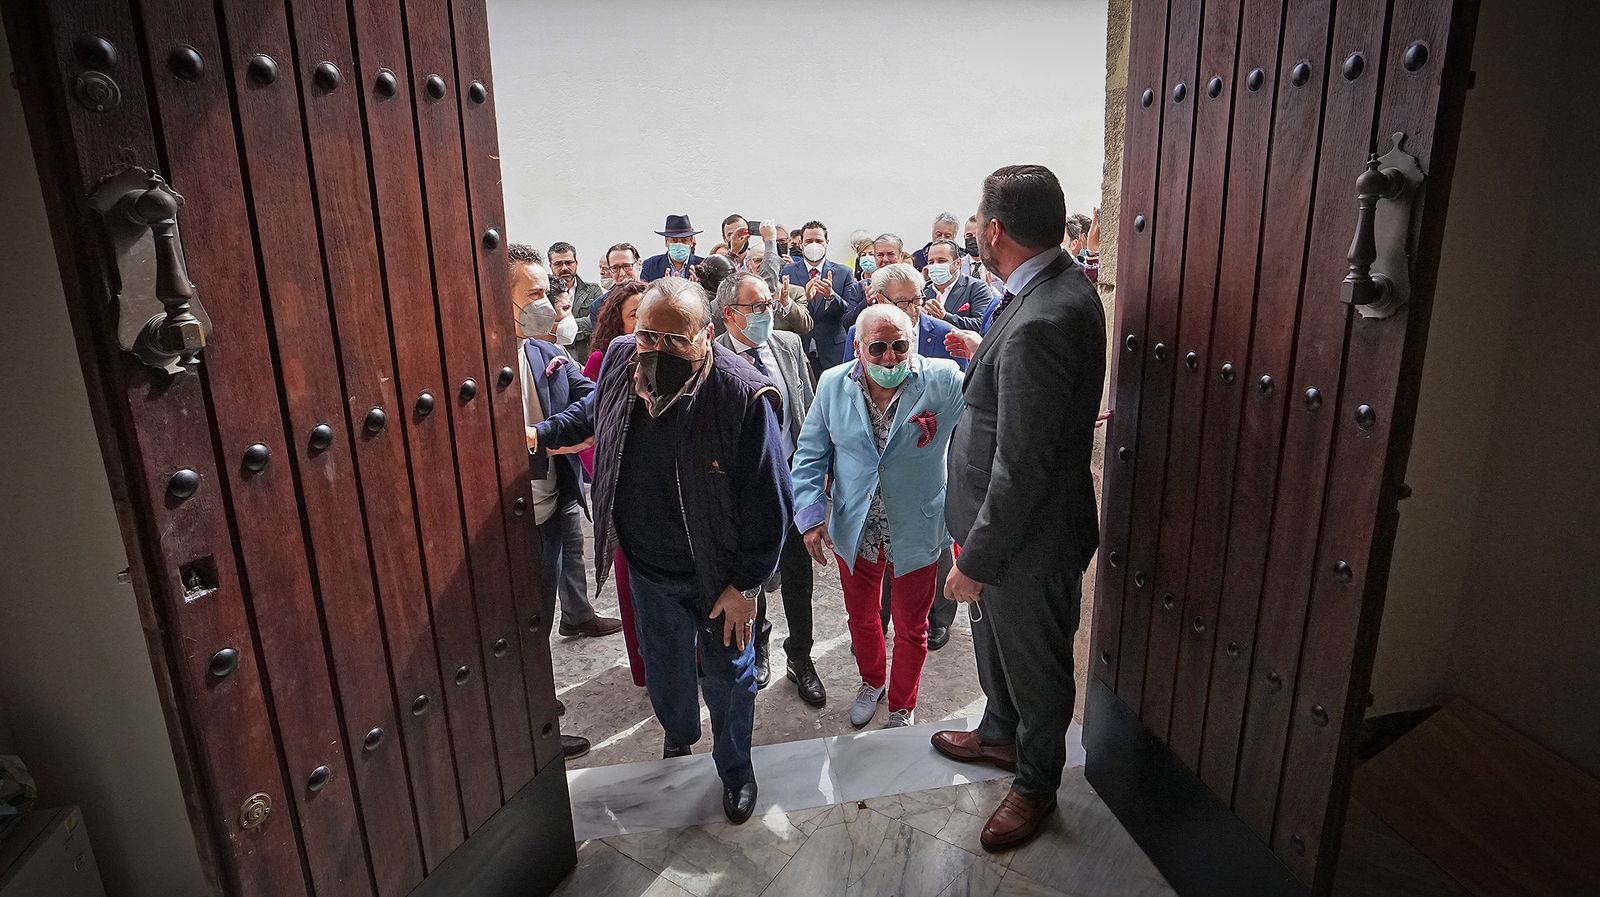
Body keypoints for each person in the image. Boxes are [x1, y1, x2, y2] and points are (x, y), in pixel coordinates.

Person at [532, 277, 793, 825]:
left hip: (720, 577)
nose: (656, 350)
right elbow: (593, 417)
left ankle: (736, 770)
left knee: (729, 680)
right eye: (649, 335)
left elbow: (771, 507)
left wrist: (746, 586)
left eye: (675, 341)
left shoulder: (742, 395)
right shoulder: (623, 359)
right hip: (650, 569)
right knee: (667, 673)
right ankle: (679, 737)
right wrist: (539, 434)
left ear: (707, 336)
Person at [933, 165, 1106, 853]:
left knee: (1036, 667)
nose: (975, 230)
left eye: (977, 221)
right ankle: (999, 732)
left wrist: (977, 558)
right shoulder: (1047, 287)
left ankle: (1034, 783)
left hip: (1022, 541)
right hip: (1002, 529)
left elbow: (1023, 464)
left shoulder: (1044, 317)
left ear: (994, 230)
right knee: (995, 648)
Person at [792, 304, 965, 729]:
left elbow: (996, 406)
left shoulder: (941, 378)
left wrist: (1049, 417)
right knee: (862, 618)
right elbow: (811, 455)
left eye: (900, 346)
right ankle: (872, 681)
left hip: (918, 525)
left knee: (912, 626)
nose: (890, 358)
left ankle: (903, 704)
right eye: (879, 348)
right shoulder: (833, 385)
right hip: (857, 526)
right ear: (857, 347)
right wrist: (812, 516)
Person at [508, 245, 623, 761]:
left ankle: (536, 712)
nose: (550, 306)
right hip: (506, 519)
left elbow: (596, 396)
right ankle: (530, 733)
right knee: (514, 627)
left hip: (549, 504)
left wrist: (544, 435)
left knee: (540, 614)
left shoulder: (539, 351)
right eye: (534, 294)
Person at [714, 272, 826, 706]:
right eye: (755, 307)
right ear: (729, 314)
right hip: (745, 488)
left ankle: (800, 657)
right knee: (752, 574)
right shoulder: (715, 356)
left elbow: (810, 411)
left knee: (799, 576)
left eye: (768, 305)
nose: (766, 313)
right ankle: (758, 646)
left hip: (795, 479)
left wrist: (819, 474)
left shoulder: (789, 345)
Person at [582, 280, 649, 688]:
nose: (643, 324)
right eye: (634, 317)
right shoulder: (602, 362)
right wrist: (610, 475)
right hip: (625, 495)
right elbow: (589, 432)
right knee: (633, 589)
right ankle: (646, 668)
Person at [781, 220, 852, 377]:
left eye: (819, 241)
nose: (814, 245)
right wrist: (803, 299)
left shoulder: (843, 272)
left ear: (826, 242)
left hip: (833, 350)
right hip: (800, 348)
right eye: (809, 241)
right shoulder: (787, 272)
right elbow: (781, 311)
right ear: (801, 244)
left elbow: (848, 312)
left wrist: (831, 296)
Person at [741, 221, 812, 337]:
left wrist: (788, 304)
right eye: (758, 260)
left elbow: (805, 327)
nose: (764, 264)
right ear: (748, 265)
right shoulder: (742, 293)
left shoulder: (795, 292)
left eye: (767, 260)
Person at [921, 239, 995, 335]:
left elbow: (983, 324)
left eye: (941, 261)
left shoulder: (977, 288)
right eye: (931, 262)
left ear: (958, 263)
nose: (935, 265)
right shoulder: (923, 291)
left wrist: (945, 317)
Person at [548, 241, 603, 360]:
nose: (564, 268)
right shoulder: (544, 292)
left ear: (576, 263)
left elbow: (596, 323)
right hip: (553, 356)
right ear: (550, 266)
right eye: (558, 264)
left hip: (585, 358)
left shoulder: (592, 290)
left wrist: (556, 329)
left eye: (568, 263)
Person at [842, 234, 908, 331]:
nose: (885, 259)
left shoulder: (910, 285)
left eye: (890, 254)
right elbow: (847, 323)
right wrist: (866, 304)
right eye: (880, 255)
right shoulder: (861, 287)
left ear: (901, 256)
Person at [588, 242, 643, 329]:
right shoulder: (599, 306)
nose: (622, 273)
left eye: (627, 266)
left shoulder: (654, 298)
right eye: (615, 268)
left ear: (639, 264)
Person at [641, 215, 705, 281]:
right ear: (666, 241)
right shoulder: (650, 265)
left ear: (691, 242)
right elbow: (643, 290)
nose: (679, 244)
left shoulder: (702, 265)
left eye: (684, 240)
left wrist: (696, 286)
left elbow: (711, 290)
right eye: (674, 240)